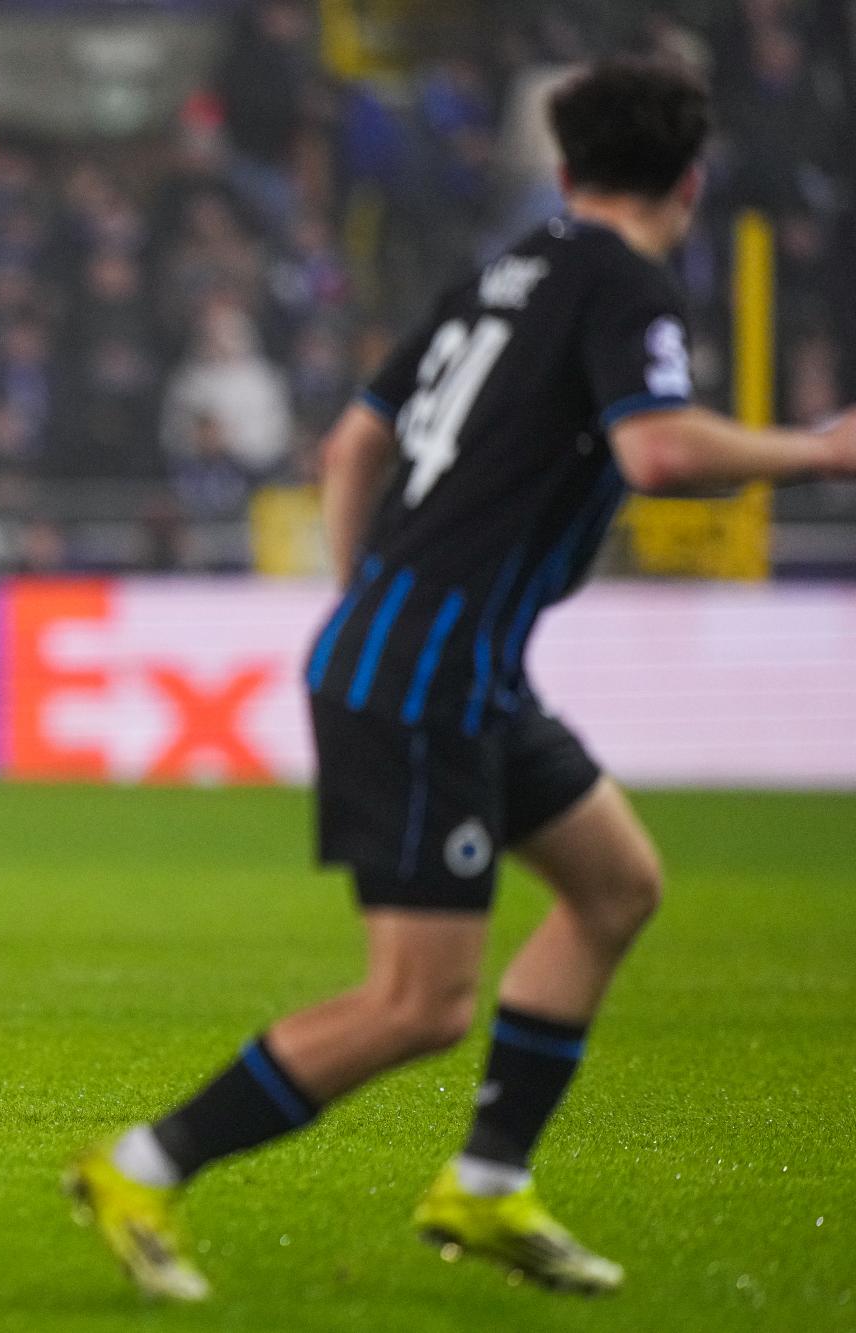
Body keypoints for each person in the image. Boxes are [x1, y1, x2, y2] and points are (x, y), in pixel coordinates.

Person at [64, 58, 856, 1303]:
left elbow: (351, 443)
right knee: (418, 1003)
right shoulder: (619, 279)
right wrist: (817, 449)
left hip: (448, 662)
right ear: (688, 185)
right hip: (424, 675)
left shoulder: (504, 271)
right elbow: (652, 449)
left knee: (615, 886)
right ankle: (141, 1163)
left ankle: (483, 1185)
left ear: (562, 168)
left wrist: (362, 593)